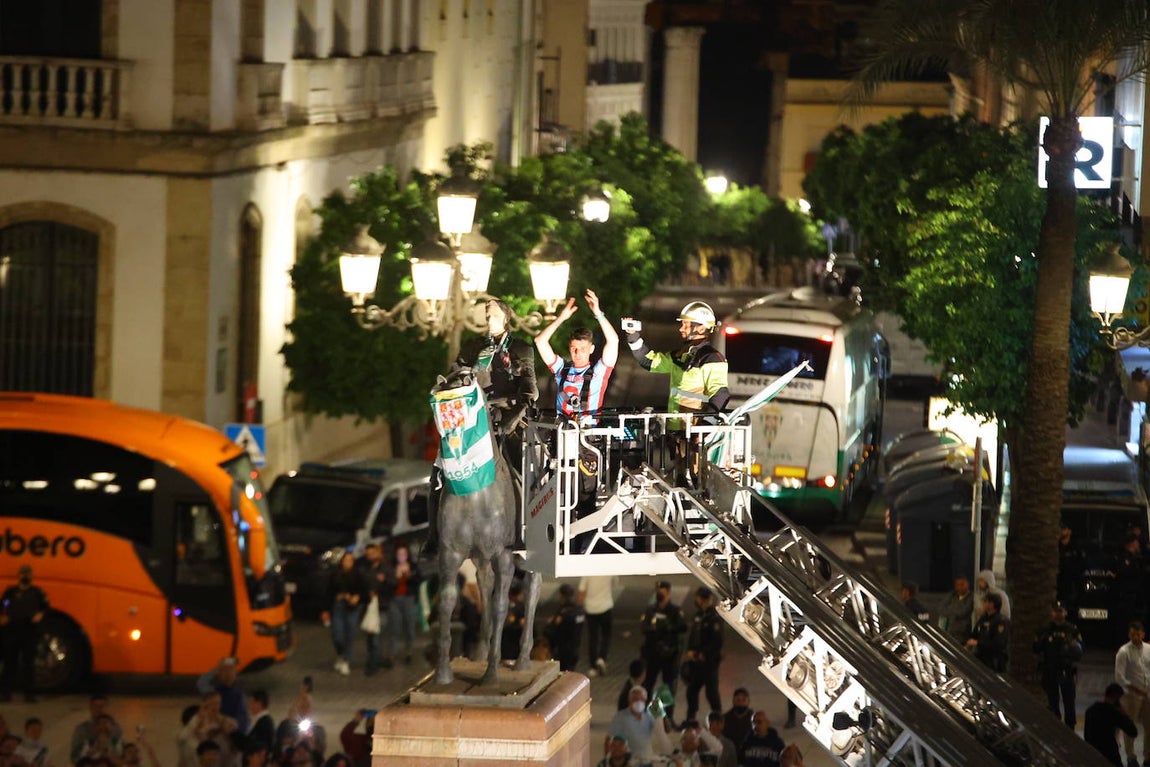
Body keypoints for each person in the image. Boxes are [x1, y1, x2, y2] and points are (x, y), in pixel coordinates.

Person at [425, 298, 538, 555]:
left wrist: (512, 419)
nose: (488, 316)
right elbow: (455, 376)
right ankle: (434, 536)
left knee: (527, 472)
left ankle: (525, 531)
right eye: (486, 312)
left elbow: (531, 391)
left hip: (506, 418)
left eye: (493, 312)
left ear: (506, 317)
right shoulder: (473, 346)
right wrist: (463, 375)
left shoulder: (521, 348)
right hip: (474, 418)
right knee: (439, 473)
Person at [534, 288, 619, 423]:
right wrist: (561, 318)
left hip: (587, 434)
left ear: (591, 349)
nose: (578, 353)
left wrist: (598, 313)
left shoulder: (599, 372)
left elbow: (613, 341)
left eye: (583, 349)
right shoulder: (561, 369)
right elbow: (540, 341)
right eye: (574, 349)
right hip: (561, 433)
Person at [0, 564, 49, 703]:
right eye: (23, 573)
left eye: (28, 573)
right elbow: (3, 604)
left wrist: (40, 614)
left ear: (31, 576)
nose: (25, 576)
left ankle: (29, 694)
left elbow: (45, 607)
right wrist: (3, 615)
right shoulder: (10, 592)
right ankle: (5, 693)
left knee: (28, 664)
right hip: (12, 630)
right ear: (19, 575)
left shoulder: (37, 592)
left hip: (30, 631)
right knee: (10, 663)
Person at [1033, 601, 1082, 728]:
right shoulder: (1045, 630)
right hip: (1050, 670)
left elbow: (1079, 652)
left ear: (1065, 613)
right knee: (1052, 702)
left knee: (1069, 702)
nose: (1057, 613)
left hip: (1066, 670)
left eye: (1060, 611)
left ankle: (1070, 728)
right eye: (1055, 611)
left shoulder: (1072, 630)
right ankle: (1055, 727)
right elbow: (1036, 648)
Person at [639, 581, 688, 702]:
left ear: (668, 593)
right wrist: (655, 629)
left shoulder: (675, 611)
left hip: (669, 655)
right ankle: (646, 709)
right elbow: (644, 627)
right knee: (649, 682)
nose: (660, 594)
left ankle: (667, 714)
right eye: (658, 591)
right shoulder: (651, 610)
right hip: (653, 653)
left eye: (663, 591)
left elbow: (683, 628)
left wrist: (668, 627)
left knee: (668, 685)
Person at [607, 686, 674, 767]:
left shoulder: (648, 716)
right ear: (629, 700)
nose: (638, 702)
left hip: (647, 762)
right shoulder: (620, 718)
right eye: (635, 699)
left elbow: (667, 729)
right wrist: (607, 762)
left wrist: (661, 712)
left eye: (641, 699)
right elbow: (609, 740)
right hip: (629, 763)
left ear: (645, 700)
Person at [684, 586, 723, 724]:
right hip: (696, 662)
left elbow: (717, 641)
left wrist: (704, 653)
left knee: (711, 692)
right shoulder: (698, 615)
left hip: (709, 662)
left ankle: (717, 718)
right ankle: (690, 718)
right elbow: (693, 636)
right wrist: (690, 650)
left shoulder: (714, 618)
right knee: (692, 690)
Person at [323, 551, 366, 675]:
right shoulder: (335, 574)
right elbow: (328, 591)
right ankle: (341, 654)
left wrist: (357, 597)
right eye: (346, 560)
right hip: (339, 606)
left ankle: (346, 660)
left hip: (352, 608)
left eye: (350, 560)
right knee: (337, 634)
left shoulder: (358, 574)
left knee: (350, 633)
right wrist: (325, 609)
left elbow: (364, 590)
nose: (348, 563)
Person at [1115, 620, 1150, 767]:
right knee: (1130, 728)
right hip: (1131, 696)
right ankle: (1131, 757)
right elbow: (1119, 677)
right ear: (1129, 634)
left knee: (1149, 727)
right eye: (1132, 634)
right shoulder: (1123, 652)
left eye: (1138, 634)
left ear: (1143, 634)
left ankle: (1148, 757)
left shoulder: (1148, 649)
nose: (1135, 637)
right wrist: (1136, 689)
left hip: (1148, 695)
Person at [385, 541, 422, 666]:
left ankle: (409, 652)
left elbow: (419, 579)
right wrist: (396, 577)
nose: (401, 556)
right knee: (395, 628)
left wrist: (409, 575)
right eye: (399, 554)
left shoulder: (413, 566)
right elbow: (387, 583)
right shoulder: (391, 567)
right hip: (395, 599)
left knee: (409, 627)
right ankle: (392, 654)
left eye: (404, 554)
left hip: (409, 599)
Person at [358, 542, 393, 675]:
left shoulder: (385, 568)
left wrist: (383, 582)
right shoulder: (364, 568)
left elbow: (393, 584)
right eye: (368, 553)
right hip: (368, 606)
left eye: (372, 552)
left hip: (381, 606)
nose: (370, 556)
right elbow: (360, 585)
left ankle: (373, 663)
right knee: (370, 635)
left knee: (375, 636)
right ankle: (378, 659)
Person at [1085, 683, 1138, 766]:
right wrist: (1124, 713)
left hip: (1092, 756)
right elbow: (1133, 732)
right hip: (1110, 757)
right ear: (1117, 698)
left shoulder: (1090, 710)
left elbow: (1087, 736)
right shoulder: (1114, 713)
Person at [197, 656, 250, 736]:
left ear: (235, 673)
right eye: (225, 670)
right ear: (220, 673)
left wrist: (232, 725)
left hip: (227, 733)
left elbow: (242, 723)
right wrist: (215, 669)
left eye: (231, 670)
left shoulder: (239, 696)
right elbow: (201, 683)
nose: (228, 673)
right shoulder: (214, 691)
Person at [579, 575, 617, 677]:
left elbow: (581, 590)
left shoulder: (588, 569)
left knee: (593, 637)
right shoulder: (608, 567)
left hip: (591, 608)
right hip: (606, 605)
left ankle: (593, 667)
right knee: (606, 635)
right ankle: (602, 657)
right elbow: (614, 583)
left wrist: (580, 607)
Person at [544, 582, 586, 672]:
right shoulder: (579, 611)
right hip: (575, 648)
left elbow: (551, 630)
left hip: (563, 651)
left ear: (562, 595)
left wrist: (551, 623)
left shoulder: (564, 612)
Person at [70, 696, 124, 765]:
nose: (99, 709)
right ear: (91, 707)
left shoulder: (116, 731)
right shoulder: (82, 729)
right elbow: (76, 758)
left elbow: (123, 759)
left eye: (102, 706)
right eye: (96, 706)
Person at [966, 592, 1009, 673]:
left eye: (985, 602)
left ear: (991, 604)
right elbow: (974, 634)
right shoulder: (983, 619)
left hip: (994, 660)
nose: (983, 604)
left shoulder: (1000, 621)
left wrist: (978, 643)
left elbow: (999, 643)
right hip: (981, 658)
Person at [1057, 522, 1085, 616]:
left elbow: (1080, 566)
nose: (1061, 531)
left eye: (1064, 528)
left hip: (1072, 586)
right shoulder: (1055, 547)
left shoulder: (1076, 548)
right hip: (1059, 585)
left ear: (1069, 531)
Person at [937, 576, 974, 644]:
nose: (960, 587)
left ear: (967, 585)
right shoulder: (951, 595)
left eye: (962, 585)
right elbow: (940, 609)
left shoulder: (971, 598)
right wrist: (953, 613)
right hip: (948, 631)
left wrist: (950, 610)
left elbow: (962, 612)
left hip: (962, 634)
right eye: (957, 585)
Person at [721, 688, 754, 765]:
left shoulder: (754, 719)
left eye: (743, 700)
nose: (741, 703)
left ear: (748, 702)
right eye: (738, 700)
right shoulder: (725, 719)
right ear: (733, 701)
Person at [247, 689, 276, 753]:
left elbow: (252, 745)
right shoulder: (262, 721)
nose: (249, 706)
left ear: (259, 704)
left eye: (251, 702)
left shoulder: (265, 723)